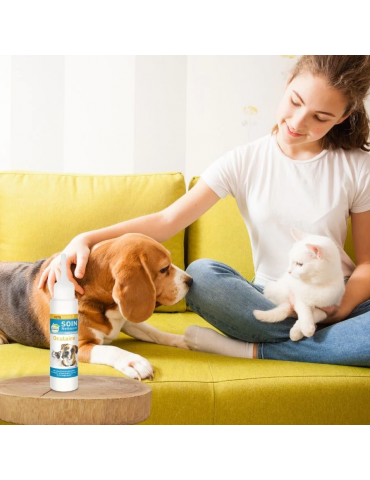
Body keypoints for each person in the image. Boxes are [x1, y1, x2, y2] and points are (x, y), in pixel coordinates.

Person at [39, 55, 370, 367]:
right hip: (270, 300)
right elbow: (166, 221)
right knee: (204, 276)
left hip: (336, 298)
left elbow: (367, 264)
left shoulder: (357, 167)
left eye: (321, 117)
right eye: (295, 102)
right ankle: (330, 344)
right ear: (287, 84)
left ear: (342, 117)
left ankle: (256, 350)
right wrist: (83, 239)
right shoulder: (244, 161)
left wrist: (339, 309)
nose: (298, 122)